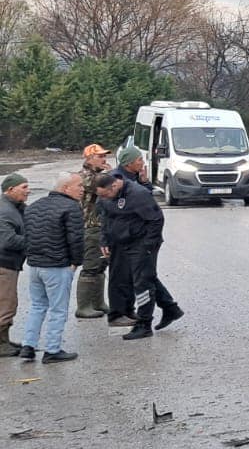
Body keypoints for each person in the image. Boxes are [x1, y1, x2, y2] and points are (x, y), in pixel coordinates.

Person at [95, 172, 182, 340]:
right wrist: (104, 240)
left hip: (141, 243)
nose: (104, 198)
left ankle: (144, 324)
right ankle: (170, 308)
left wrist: (147, 246)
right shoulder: (106, 196)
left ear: (114, 185)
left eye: (106, 195)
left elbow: (156, 220)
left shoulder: (138, 194)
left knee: (142, 283)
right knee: (144, 277)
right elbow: (106, 217)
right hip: (120, 243)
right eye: (101, 196)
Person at [17, 173, 85, 363]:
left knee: (37, 306)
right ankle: (52, 349)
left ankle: (28, 345)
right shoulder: (71, 208)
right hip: (58, 265)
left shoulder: (34, 206)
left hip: (36, 265)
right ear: (65, 188)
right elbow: (76, 239)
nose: (82, 189)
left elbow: (28, 235)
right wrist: (76, 262)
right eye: (79, 185)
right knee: (58, 309)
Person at [74, 144, 113, 319]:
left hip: (101, 226)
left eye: (104, 156)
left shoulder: (99, 175)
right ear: (89, 159)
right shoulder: (84, 176)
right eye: (100, 156)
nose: (104, 160)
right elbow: (97, 186)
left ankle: (98, 302)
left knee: (100, 265)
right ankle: (83, 306)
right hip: (89, 227)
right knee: (90, 265)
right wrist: (107, 175)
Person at [0, 173, 28, 357]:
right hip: (4, 264)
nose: (28, 190)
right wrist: (34, 241)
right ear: (10, 189)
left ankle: (5, 340)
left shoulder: (14, 207)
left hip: (9, 263)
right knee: (6, 303)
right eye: (24, 187)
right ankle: (1, 344)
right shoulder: (4, 211)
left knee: (7, 302)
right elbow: (7, 241)